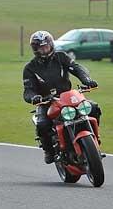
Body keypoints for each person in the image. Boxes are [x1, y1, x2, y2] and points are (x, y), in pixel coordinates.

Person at [22, 30, 101, 164]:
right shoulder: (30, 68)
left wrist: (87, 80)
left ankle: (95, 138)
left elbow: (76, 68)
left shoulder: (61, 57)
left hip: (69, 97)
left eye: (46, 46)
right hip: (47, 102)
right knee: (42, 124)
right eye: (41, 48)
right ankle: (49, 150)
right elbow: (28, 90)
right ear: (36, 50)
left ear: (51, 45)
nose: (45, 50)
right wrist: (35, 98)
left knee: (93, 108)